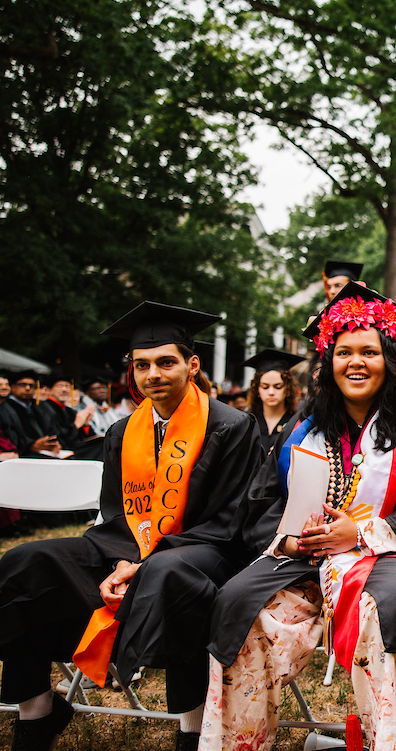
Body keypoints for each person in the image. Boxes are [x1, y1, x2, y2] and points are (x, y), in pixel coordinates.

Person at [201, 282, 396, 750]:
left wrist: (359, 532)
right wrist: (294, 541)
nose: (356, 362)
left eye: (370, 351)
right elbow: (262, 504)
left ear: (390, 360)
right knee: (241, 604)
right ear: (329, 360)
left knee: (388, 610)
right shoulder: (302, 429)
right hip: (302, 561)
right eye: (344, 352)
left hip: (388, 560)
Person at [0, 302, 262, 751]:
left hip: (207, 550)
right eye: (142, 365)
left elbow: (230, 519)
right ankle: (38, 713)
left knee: (167, 575)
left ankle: (193, 731)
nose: (152, 374)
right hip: (127, 545)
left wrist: (142, 564)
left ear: (192, 364)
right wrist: (124, 560)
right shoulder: (123, 431)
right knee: (27, 560)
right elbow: (113, 513)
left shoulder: (232, 426)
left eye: (165, 362)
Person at [243, 348, 304, 456]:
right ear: (257, 389)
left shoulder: (297, 423)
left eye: (278, 387)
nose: (271, 392)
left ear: (288, 388)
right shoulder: (248, 422)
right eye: (265, 387)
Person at [33, 373, 97, 455]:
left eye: (67, 386)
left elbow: (83, 439)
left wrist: (85, 424)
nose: (64, 389)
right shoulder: (43, 409)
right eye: (59, 386)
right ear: (49, 390)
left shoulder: (70, 411)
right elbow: (60, 440)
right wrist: (76, 425)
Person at [0, 371, 61, 457]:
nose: (27, 388)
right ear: (13, 387)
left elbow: (51, 430)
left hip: (44, 452)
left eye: (31, 386)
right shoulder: (4, 409)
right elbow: (8, 436)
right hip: (21, 455)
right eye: (23, 385)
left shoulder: (40, 408)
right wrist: (30, 445)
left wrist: (52, 443)